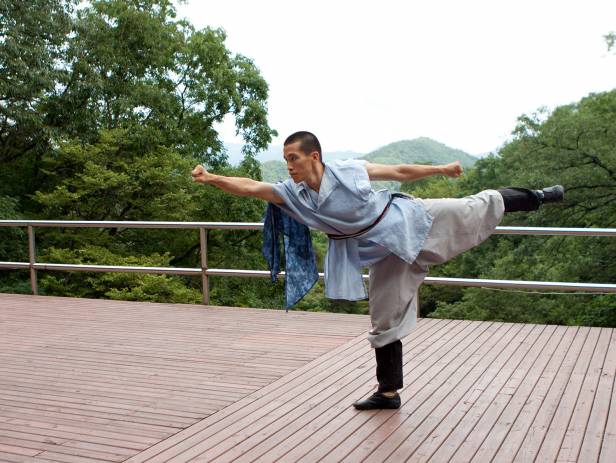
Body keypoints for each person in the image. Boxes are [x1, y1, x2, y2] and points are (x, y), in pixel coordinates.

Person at [191, 131, 564, 410]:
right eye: (286, 159)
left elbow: (398, 170)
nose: (288, 166)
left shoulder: (349, 172)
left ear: (314, 156)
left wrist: (441, 168)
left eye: (293, 158)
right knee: (383, 316)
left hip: (409, 220)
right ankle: (388, 392)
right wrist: (212, 179)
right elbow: (251, 186)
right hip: (384, 252)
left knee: (474, 206)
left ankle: (541, 196)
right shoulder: (294, 194)